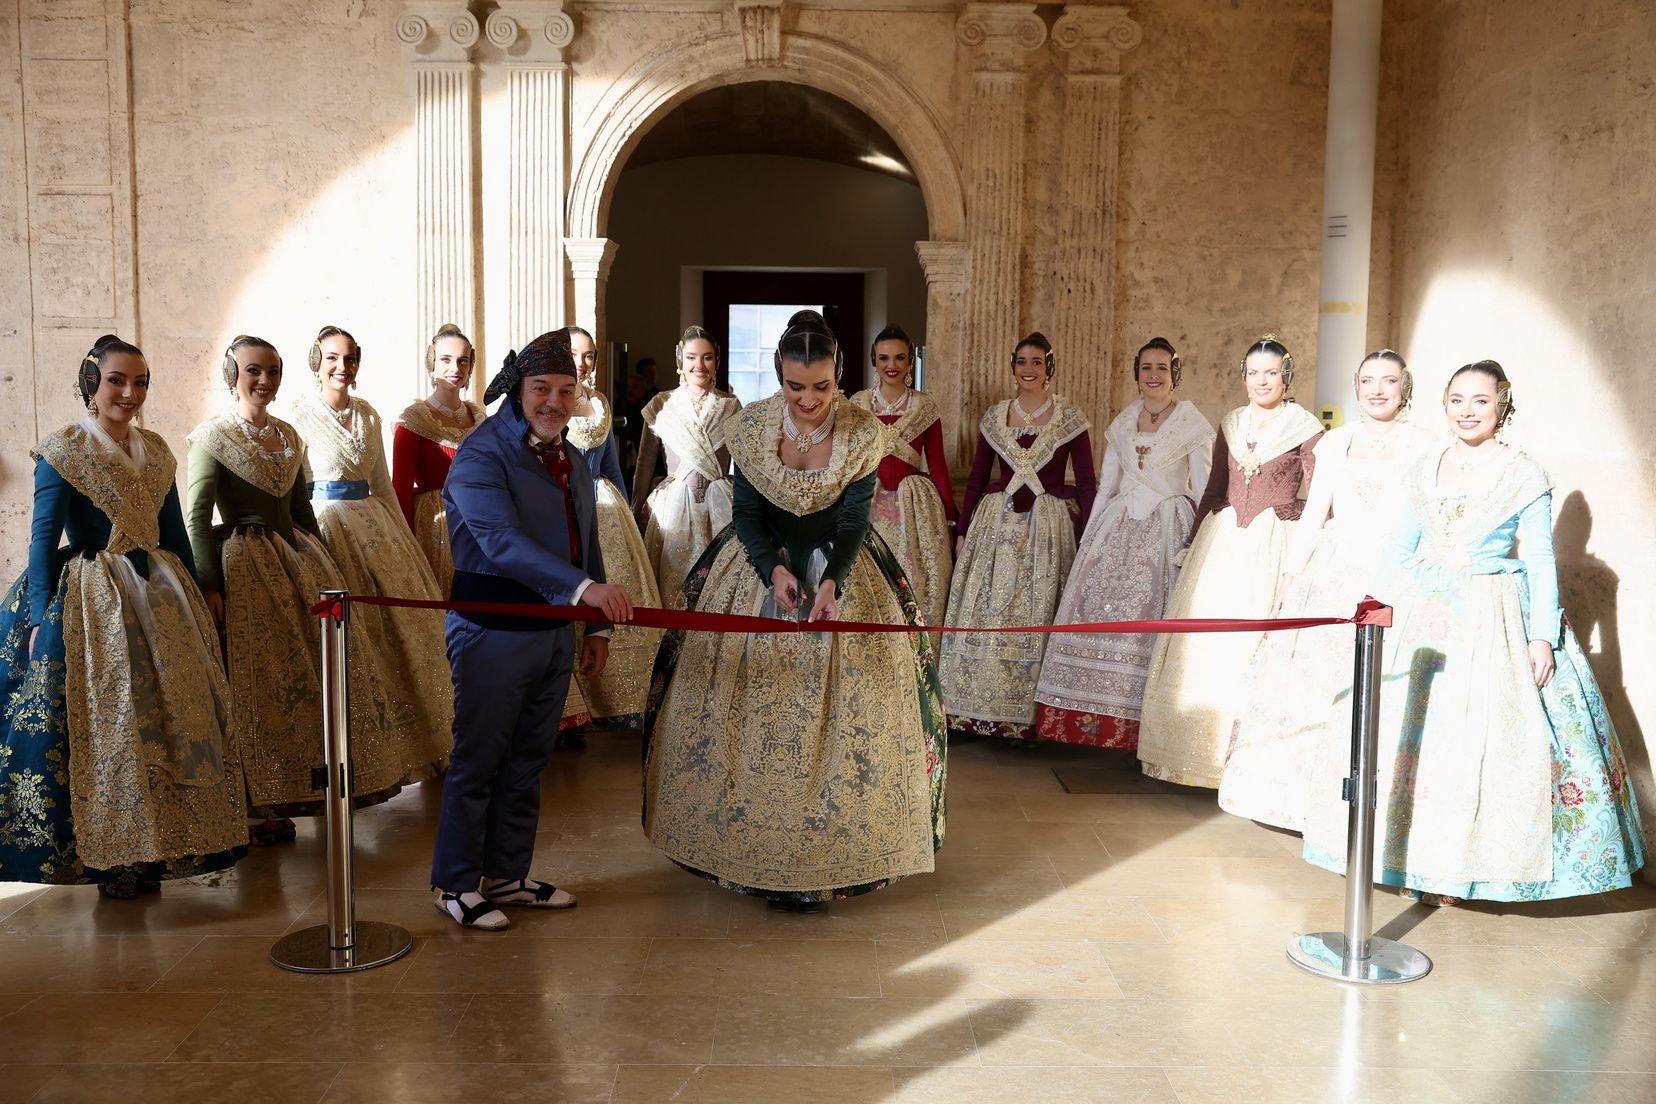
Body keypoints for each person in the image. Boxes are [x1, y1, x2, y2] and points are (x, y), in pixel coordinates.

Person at [1302, 361, 1644, 904]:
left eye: (1480, 401)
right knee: (1411, 734)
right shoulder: (1424, 465)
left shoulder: (1524, 473)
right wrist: (1375, 605)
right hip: (1426, 613)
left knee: (1482, 738)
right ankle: (1409, 859)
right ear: (1443, 404)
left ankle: (1467, 870)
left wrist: (1541, 637)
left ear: (1502, 404)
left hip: (1492, 613)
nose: (1467, 411)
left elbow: (1538, 559)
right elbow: (1398, 546)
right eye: (1457, 400)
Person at [643, 318, 945, 911]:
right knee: (745, 710)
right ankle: (751, 851)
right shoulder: (752, 425)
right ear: (779, 376)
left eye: (822, 387)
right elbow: (748, 512)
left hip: (844, 569)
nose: (808, 401)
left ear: (840, 377)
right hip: (758, 564)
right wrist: (772, 570)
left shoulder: (860, 432)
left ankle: (833, 855)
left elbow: (857, 519)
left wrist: (831, 580)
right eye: (794, 387)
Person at [0, 336, 247, 897]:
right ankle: (114, 857)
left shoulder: (156, 449)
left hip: (161, 593)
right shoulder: (64, 450)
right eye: (117, 380)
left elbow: (175, 528)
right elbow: (41, 541)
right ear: (93, 382)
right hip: (94, 595)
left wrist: (200, 587)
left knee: (168, 722)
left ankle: (162, 842)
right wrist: (40, 614)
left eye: (140, 382)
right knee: (112, 724)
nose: (130, 393)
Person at [431, 329, 633, 931]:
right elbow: (500, 543)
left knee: (527, 759)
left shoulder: (569, 455)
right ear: (517, 390)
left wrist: (595, 625)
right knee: (479, 759)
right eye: (541, 388)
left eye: (565, 390)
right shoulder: (480, 454)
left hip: (554, 631)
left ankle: (508, 876)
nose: (553, 401)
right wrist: (584, 593)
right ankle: (455, 883)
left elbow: (585, 540)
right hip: (491, 628)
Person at [186, 335, 407, 841]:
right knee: (255, 682)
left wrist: (326, 567)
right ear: (233, 375)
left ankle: (305, 785)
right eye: (252, 371)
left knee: (309, 681)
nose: (264, 381)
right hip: (243, 567)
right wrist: (208, 584)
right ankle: (253, 805)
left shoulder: (288, 435)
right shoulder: (211, 437)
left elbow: (303, 512)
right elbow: (197, 518)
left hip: (296, 562)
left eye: (272, 371)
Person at [1218, 350, 1439, 828]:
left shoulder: (1426, 445)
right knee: (1313, 678)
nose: (1377, 390)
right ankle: (1303, 798)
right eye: (1367, 381)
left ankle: (1371, 799)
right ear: (1356, 387)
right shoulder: (1335, 442)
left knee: (1383, 679)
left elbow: (1428, 515)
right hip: (1333, 568)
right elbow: (1315, 513)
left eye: (1389, 381)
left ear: (1406, 388)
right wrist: (1291, 579)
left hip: (1395, 569)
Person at [1136, 334, 1323, 787]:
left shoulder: (1305, 426)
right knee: (1205, 645)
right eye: (1254, 373)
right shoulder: (1232, 422)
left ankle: (1244, 766)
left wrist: (1299, 525)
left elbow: (1320, 493)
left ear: (1286, 377)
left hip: (1273, 541)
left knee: (1253, 645)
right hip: (1221, 543)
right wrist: (1194, 538)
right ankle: (1192, 759)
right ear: (1243, 377)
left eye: (1271, 373)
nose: (1262, 381)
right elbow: (1215, 488)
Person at [289, 325, 452, 781]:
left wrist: (404, 540)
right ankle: (359, 759)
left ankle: (429, 742)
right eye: (332, 359)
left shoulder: (369, 415)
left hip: (378, 527)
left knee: (406, 632)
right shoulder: (297, 417)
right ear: (316, 363)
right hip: (327, 526)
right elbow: (296, 488)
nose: (342, 367)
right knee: (354, 639)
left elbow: (381, 482)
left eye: (350, 358)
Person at [1034, 338, 1213, 749]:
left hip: (1167, 528)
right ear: (1136, 374)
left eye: (1162, 368)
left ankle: (1142, 729)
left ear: (1175, 375)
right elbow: (1105, 487)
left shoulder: (1193, 426)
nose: (1153, 375)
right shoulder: (1121, 424)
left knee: (1150, 619)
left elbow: (1203, 491)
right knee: (1099, 610)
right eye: (1146, 367)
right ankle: (1092, 720)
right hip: (1116, 529)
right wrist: (1089, 540)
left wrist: (1199, 544)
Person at [940, 332, 1096, 741]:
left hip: (1047, 529)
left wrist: (1088, 535)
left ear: (1049, 369)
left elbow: (1086, 483)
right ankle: (976, 710)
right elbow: (976, 477)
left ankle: (1031, 717)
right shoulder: (995, 417)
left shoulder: (1069, 419)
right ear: (1013, 367)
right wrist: (962, 528)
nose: (1029, 369)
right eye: (1022, 362)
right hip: (995, 527)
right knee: (988, 606)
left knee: (1038, 607)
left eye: (1037, 362)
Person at [559, 326, 664, 734]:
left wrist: (629, 513)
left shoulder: (600, 403)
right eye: (575, 353)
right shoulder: (553, 399)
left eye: (589, 356)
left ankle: (615, 700)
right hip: (564, 501)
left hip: (604, 507)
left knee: (615, 591)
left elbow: (610, 466)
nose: (583, 362)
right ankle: (568, 708)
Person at [848, 324, 957, 630]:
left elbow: (937, 467)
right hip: (870, 505)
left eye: (899, 358)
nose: (891, 365)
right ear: (874, 361)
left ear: (910, 361)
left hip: (916, 509)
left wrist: (950, 520)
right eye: (884, 358)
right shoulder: (857, 405)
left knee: (920, 582)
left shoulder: (924, 405)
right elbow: (850, 464)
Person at [630, 325, 742, 603]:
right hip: (673, 507)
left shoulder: (731, 406)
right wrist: (635, 510)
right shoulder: (661, 404)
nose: (699, 365)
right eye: (691, 357)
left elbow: (743, 463)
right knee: (673, 590)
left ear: (717, 360)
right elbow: (645, 463)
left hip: (721, 507)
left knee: (719, 592)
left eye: (707, 357)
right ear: (680, 360)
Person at [393, 323, 487, 594]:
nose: (455, 369)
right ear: (432, 362)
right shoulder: (413, 420)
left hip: (479, 522)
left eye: (462, 361)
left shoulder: (480, 419)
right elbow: (400, 489)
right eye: (446, 359)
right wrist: (407, 546)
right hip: (434, 527)